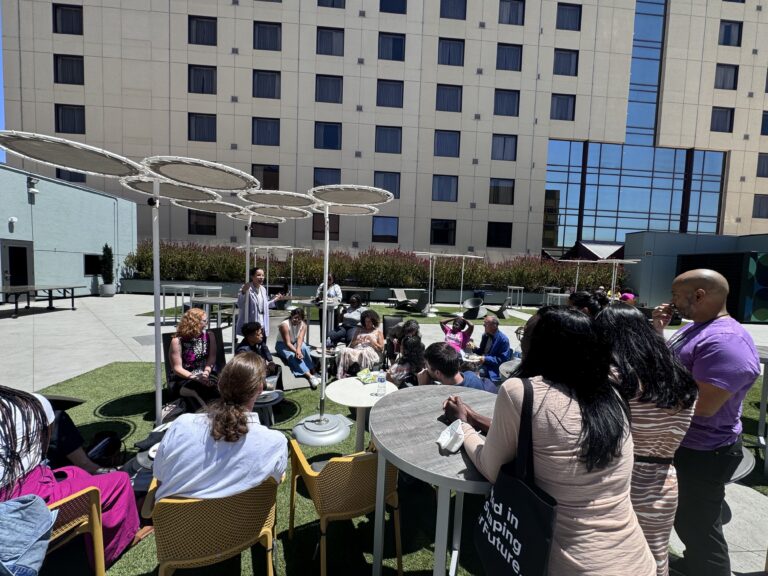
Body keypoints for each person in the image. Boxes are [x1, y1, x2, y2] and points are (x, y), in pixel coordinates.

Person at [443, 307, 655, 576]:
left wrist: (462, 425)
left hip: (568, 562)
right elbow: (552, 436)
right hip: (634, 557)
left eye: (526, 335)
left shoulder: (521, 391)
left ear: (542, 346)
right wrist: (474, 416)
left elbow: (490, 467)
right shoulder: (611, 392)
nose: (521, 341)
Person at [652, 269, 760, 576]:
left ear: (699, 295)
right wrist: (659, 331)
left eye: (675, 295)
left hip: (703, 452)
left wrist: (642, 396)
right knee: (687, 521)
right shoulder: (698, 327)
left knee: (700, 529)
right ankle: (695, 565)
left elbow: (703, 406)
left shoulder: (726, 342)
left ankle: (709, 569)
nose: (670, 301)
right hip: (687, 445)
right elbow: (673, 370)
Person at [595, 303, 698, 576]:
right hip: (664, 478)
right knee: (655, 557)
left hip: (619, 480)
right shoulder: (680, 377)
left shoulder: (616, 377)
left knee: (613, 560)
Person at [0, 386, 140, 568]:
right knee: (119, 481)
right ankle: (109, 551)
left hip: (23, 487)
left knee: (76, 472)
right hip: (26, 503)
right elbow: (47, 436)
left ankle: (88, 531)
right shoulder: (29, 403)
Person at [153, 353, 288, 500]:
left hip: (176, 522)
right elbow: (276, 480)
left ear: (220, 385)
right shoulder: (276, 443)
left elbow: (160, 479)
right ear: (260, 388)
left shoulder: (181, 425)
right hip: (243, 522)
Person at [169, 308, 220, 411]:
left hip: (205, 373)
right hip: (184, 378)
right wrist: (195, 377)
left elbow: (212, 358)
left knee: (219, 387)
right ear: (194, 322)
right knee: (197, 390)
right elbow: (177, 368)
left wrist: (206, 372)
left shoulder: (209, 336)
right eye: (205, 321)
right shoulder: (177, 340)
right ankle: (207, 416)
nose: (207, 323)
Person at [416, 342, 497, 393]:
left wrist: (422, 388)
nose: (425, 369)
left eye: (427, 366)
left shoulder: (445, 396)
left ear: (438, 373)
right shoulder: (471, 375)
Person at [275, 308, 320, 389]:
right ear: (291, 316)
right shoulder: (284, 325)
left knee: (304, 348)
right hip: (282, 345)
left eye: (299, 318)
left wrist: (298, 350)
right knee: (292, 355)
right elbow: (287, 343)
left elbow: (300, 338)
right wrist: (296, 352)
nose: (297, 320)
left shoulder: (303, 325)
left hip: (295, 342)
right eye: (295, 317)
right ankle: (310, 376)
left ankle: (313, 371)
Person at [236, 267, 285, 338]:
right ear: (252, 277)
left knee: (262, 344)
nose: (261, 277)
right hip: (252, 324)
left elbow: (264, 306)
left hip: (262, 324)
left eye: (263, 275)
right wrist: (243, 292)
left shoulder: (263, 289)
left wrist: (275, 300)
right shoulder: (246, 288)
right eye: (258, 275)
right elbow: (240, 304)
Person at [337, 310, 385, 378]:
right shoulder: (359, 330)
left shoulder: (378, 332)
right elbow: (351, 346)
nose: (367, 323)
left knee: (365, 352)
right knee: (343, 350)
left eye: (369, 321)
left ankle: (364, 376)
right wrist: (357, 341)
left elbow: (381, 349)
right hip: (357, 350)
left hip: (370, 352)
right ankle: (342, 374)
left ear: (373, 321)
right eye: (366, 321)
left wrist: (372, 341)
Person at [468, 315, 511, 381]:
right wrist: (473, 347)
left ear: (494, 326)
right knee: (463, 367)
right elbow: (481, 351)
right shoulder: (485, 336)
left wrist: (485, 359)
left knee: (472, 374)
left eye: (486, 324)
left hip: (492, 369)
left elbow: (502, 360)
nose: (483, 325)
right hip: (482, 363)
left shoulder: (503, 340)